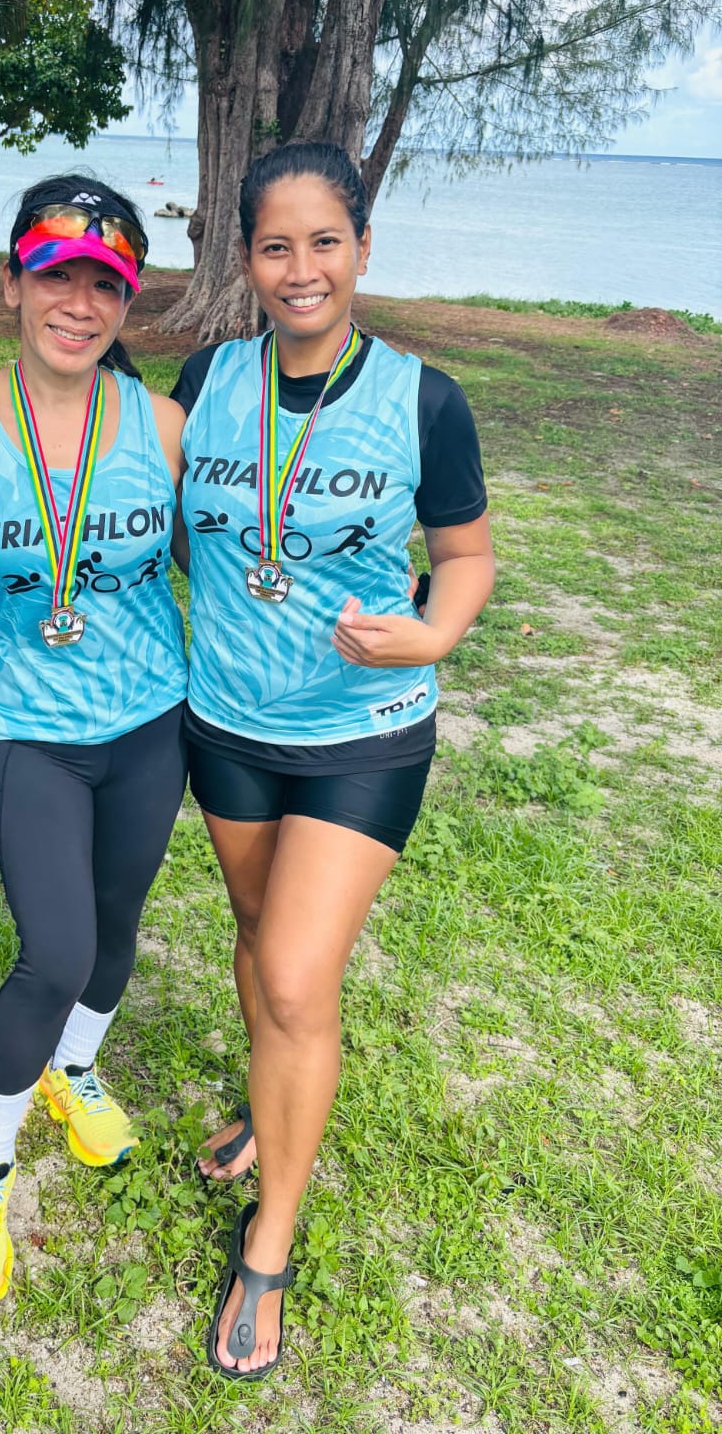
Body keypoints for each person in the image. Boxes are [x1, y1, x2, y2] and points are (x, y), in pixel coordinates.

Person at [172, 140, 495, 1377]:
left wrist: (433, 629)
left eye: (324, 241)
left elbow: (465, 556)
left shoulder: (424, 398)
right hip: (228, 724)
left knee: (300, 976)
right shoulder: (207, 376)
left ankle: (272, 1242)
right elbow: (134, 499)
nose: (300, 269)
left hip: (362, 732)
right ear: (244, 256)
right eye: (274, 244)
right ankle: (270, 1117)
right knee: (258, 943)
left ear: (362, 247)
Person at [0, 178, 188, 1306]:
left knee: (117, 929)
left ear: (125, 302)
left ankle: (72, 1072)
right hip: (33, 727)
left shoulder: (164, 428)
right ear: (13, 283)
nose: (78, 303)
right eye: (56, 276)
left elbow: (240, 554)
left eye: (105, 283)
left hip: (150, 722)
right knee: (55, 951)